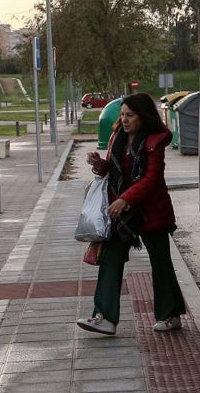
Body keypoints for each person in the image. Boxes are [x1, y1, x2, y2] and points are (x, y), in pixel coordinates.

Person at [76, 92, 186, 336]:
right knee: (110, 258)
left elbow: (151, 179)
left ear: (142, 116)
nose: (124, 120)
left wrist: (126, 199)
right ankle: (104, 316)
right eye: (122, 115)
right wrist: (99, 165)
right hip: (122, 215)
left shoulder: (155, 141)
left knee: (161, 264)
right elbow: (114, 170)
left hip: (151, 212)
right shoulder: (117, 137)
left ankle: (170, 314)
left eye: (130, 115)